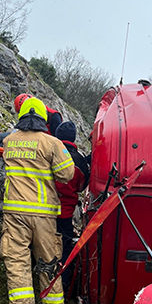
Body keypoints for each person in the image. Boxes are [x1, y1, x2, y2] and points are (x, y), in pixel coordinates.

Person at [0, 97, 74, 304]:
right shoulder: (52, 143)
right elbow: (67, 174)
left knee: (18, 265)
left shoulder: (10, 141)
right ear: (43, 119)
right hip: (44, 216)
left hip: (15, 214)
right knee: (49, 265)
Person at [54, 121, 90, 293]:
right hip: (65, 212)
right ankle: (63, 282)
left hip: (43, 209)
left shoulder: (49, 152)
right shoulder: (80, 161)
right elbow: (81, 187)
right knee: (65, 247)